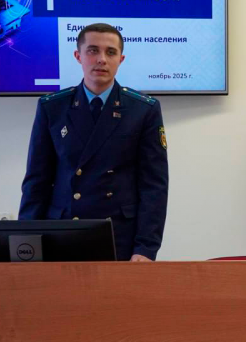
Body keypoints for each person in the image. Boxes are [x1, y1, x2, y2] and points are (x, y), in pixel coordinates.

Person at [19, 23, 168, 261]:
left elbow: (154, 187)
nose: (101, 59)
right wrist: (26, 243)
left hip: (119, 236)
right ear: (78, 56)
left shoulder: (143, 110)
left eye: (111, 52)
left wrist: (146, 248)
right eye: (92, 50)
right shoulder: (53, 107)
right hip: (61, 233)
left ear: (121, 59)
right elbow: (37, 181)